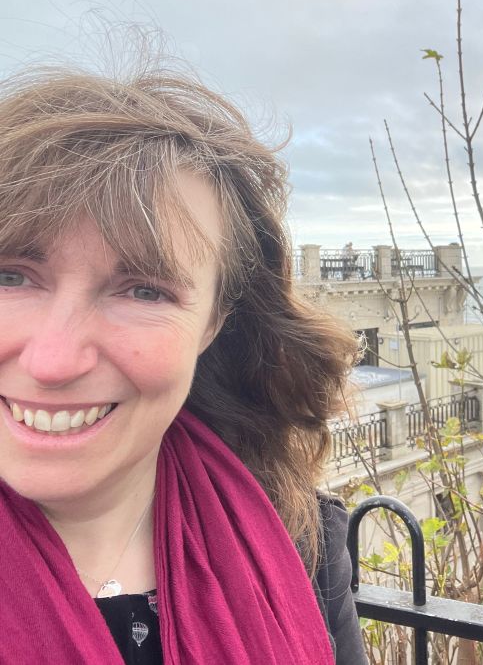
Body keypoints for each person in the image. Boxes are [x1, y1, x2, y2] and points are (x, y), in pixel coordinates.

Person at [0, 66, 366, 663]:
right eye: (11, 276)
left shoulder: (298, 540)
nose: (53, 360)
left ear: (216, 321)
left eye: (144, 291)